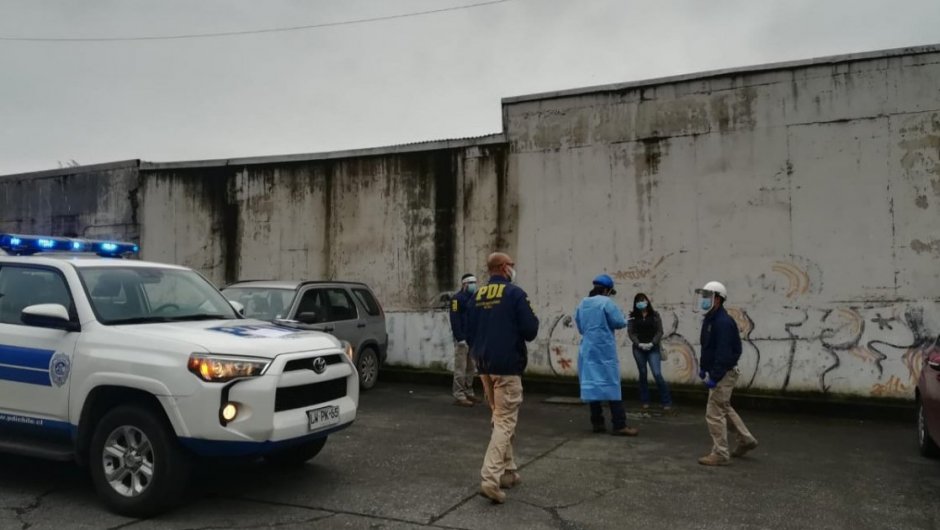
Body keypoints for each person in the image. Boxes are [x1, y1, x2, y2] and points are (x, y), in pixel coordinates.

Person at [466, 252, 539, 504]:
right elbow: (531, 330)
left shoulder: (476, 295)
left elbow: (467, 331)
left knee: (500, 419)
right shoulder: (515, 294)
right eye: (511, 265)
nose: (513, 268)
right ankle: (490, 479)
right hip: (508, 366)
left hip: (484, 365)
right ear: (503, 267)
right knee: (505, 422)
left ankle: (508, 472)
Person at [695, 281, 759, 466]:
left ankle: (720, 453)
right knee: (723, 407)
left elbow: (725, 352)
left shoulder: (722, 322)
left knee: (714, 413)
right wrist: (704, 369)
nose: (703, 300)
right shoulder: (711, 319)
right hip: (719, 372)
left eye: (707, 297)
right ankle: (746, 439)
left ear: (718, 300)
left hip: (723, 373)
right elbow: (709, 348)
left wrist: (714, 376)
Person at [575, 274, 639, 437]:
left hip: (588, 349)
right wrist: (627, 319)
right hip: (604, 350)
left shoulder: (583, 303)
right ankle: (619, 424)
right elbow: (617, 322)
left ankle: (597, 423)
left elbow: (580, 326)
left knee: (593, 385)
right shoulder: (607, 302)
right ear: (606, 290)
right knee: (612, 385)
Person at [627, 293, 672, 411]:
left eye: (643, 300)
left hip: (653, 348)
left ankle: (666, 401)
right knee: (643, 374)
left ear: (647, 301)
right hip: (638, 349)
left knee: (657, 374)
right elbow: (631, 333)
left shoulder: (655, 315)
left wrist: (653, 343)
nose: (641, 303)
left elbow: (660, 331)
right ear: (635, 304)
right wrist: (638, 343)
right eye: (638, 301)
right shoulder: (632, 317)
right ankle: (645, 400)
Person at [450, 273, 480, 407]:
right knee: (460, 369)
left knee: (471, 368)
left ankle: (469, 391)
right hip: (462, 339)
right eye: (471, 283)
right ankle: (459, 395)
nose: (474, 285)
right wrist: (459, 337)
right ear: (464, 284)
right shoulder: (456, 300)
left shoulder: (475, 299)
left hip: (472, 339)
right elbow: (454, 318)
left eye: (475, 282)